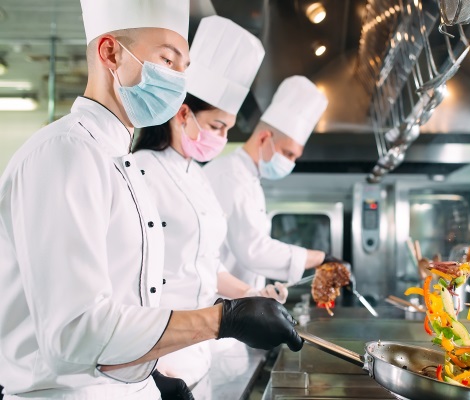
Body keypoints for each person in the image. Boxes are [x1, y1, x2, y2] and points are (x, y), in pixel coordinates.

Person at [0, 2, 302, 399]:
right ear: (110, 53)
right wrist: (222, 320)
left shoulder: (122, 162)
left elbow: (132, 300)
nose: (178, 82)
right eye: (167, 61)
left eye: (183, 68)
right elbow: (73, 333)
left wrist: (150, 376)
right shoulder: (66, 151)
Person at [133, 16, 287, 393]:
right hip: (158, 363)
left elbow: (205, 265)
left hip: (201, 354)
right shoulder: (140, 172)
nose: (223, 138)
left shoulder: (197, 176)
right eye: (217, 126)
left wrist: (254, 297)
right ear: (183, 114)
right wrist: (152, 371)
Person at [204, 76, 337, 290]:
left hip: (237, 301)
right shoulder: (229, 176)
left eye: (295, 157)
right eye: (288, 153)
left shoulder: (249, 178)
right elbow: (254, 251)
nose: (290, 163)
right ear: (264, 138)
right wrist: (320, 258)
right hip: (218, 303)